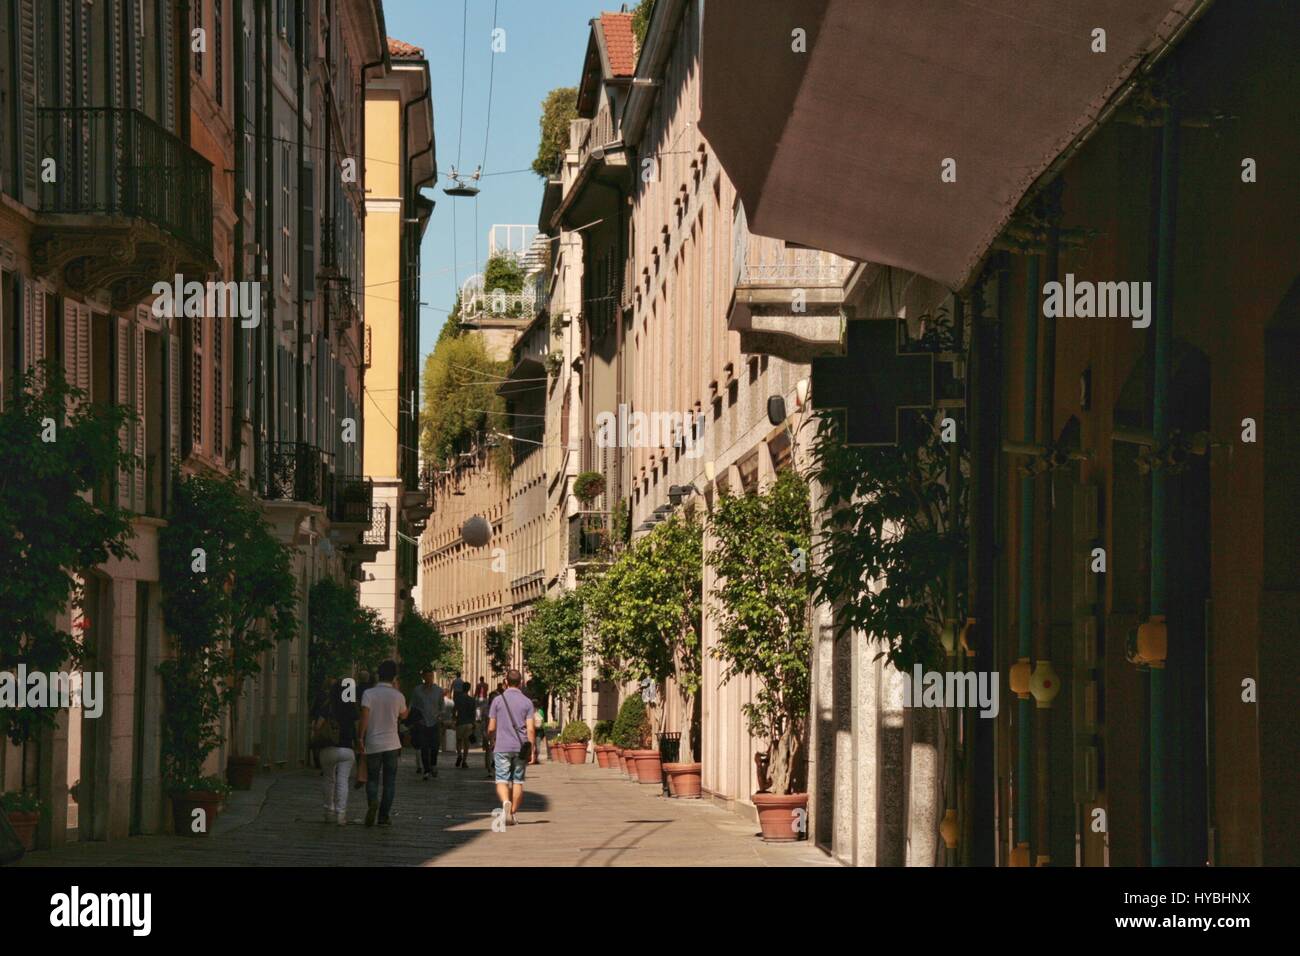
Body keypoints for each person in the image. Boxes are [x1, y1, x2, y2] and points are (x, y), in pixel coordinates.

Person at [358, 660, 408, 828]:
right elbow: (405, 715)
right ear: (394, 676)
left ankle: (373, 802)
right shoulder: (398, 695)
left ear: (378, 674)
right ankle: (384, 816)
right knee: (390, 781)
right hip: (392, 744)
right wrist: (398, 690)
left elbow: (364, 717)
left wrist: (360, 737)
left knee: (372, 778)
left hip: (373, 742)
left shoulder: (369, 694)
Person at [487, 670, 536, 826]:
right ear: (520, 683)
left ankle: (506, 802)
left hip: (502, 746)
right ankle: (513, 812)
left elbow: (491, 727)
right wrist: (532, 749)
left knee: (501, 779)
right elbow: (530, 729)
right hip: (521, 747)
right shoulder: (527, 702)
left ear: (506, 682)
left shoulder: (497, 700)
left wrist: (490, 737)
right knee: (518, 781)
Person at [313, 679, 358, 825]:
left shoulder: (328, 706)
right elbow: (357, 730)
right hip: (347, 750)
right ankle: (341, 814)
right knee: (343, 780)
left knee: (328, 779)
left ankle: (328, 812)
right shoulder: (352, 708)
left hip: (328, 748)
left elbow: (318, 726)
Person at [409, 668, 444, 780]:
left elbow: (442, 706)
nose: (429, 678)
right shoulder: (417, 690)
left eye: (431, 676)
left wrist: (440, 715)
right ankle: (426, 770)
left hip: (434, 722)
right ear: (423, 677)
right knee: (424, 746)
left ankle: (433, 764)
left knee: (435, 746)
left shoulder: (438, 691)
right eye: (427, 676)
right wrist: (414, 719)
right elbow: (412, 705)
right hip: (422, 722)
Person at [453, 683, 477, 768]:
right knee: (466, 743)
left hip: (460, 722)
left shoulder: (457, 699)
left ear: (462, 688)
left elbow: (454, 710)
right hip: (469, 723)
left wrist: (454, 719)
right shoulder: (472, 699)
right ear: (469, 689)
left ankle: (459, 754)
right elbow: (474, 713)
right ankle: (464, 761)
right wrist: (474, 723)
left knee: (459, 741)